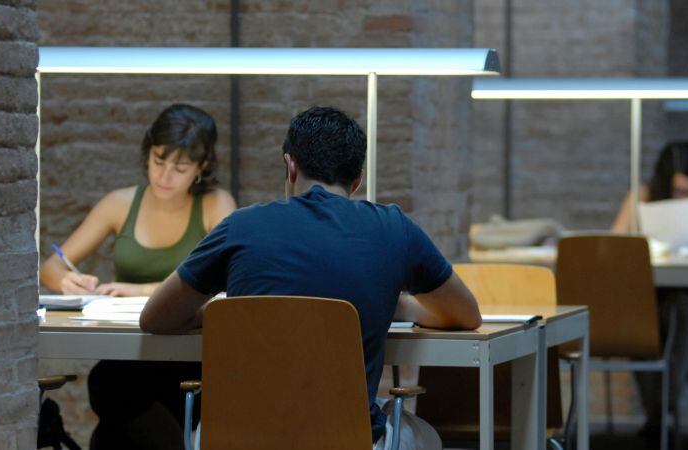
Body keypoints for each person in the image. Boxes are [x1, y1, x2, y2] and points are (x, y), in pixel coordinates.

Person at [140, 105, 482, 449]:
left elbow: (155, 317)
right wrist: (400, 307)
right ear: (357, 179)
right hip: (347, 439)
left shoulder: (240, 227)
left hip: (236, 438)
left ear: (290, 166)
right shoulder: (394, 228)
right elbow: (467, 316)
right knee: (429, 437)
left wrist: (223, 315)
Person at [40, 104, 237, 449]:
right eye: (158, 161)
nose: (164, 176)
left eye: (180, 167)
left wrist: (139, 290)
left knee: (110, 398)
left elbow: (228, 279)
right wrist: (67, 281)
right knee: (111, 395)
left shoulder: (216, 204)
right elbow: (51, 266)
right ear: (148, 154)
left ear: (202, 168)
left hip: (189, 353)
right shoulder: (120, 203)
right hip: (132, 351)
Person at [612, 140, 688, 438]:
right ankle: (660, 417)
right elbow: (613, 246)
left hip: (687, 296)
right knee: (643, 320)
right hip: (642, 297)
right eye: (679, 191)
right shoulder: (643, 198)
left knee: (682, 313)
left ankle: (659, 415)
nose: (686, 197)